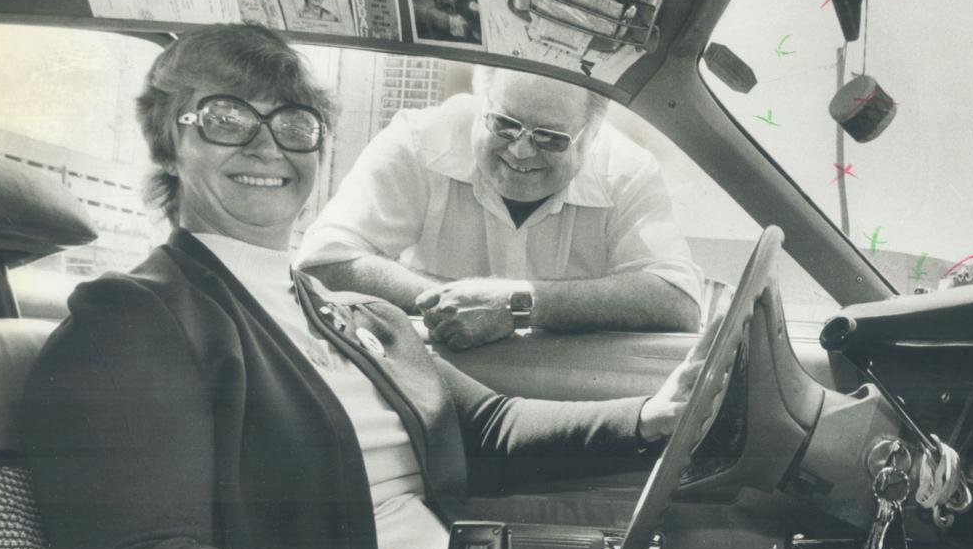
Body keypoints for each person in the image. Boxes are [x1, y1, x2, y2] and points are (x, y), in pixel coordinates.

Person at [21, 25, 973, 549]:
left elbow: (486, 425)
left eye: (293, 123)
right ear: (168, 135)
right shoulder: (139, 317)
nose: (266, 146)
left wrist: (651, 417)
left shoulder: (339, 308)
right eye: (225, 117)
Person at [296, 65, 703, 349]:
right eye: (504, 124)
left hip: (562, 388)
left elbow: (677, 300)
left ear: (592, 136)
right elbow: (321, 262)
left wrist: (517, 303)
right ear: (479, 103)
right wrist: (456, 303)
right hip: (435, 373)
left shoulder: (628, 170)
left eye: (550, 138)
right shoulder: (418, 138)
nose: (521, 150)